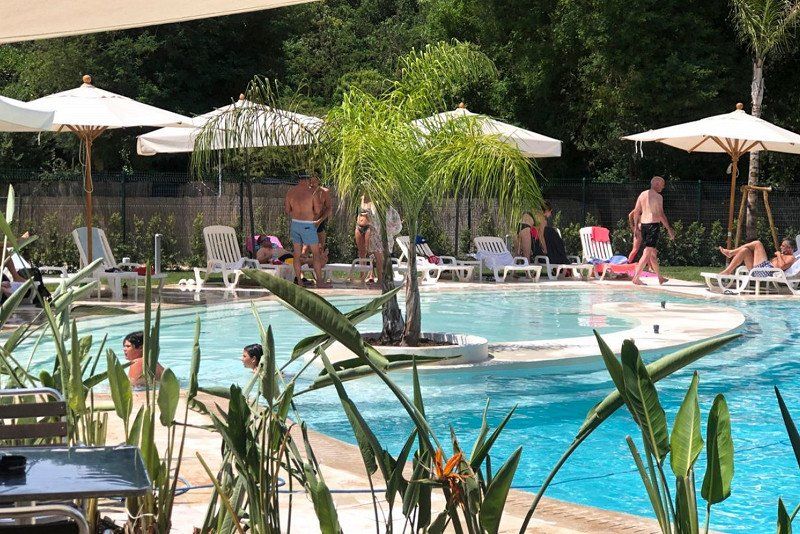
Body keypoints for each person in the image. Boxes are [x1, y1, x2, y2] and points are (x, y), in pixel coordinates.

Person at [630, 176, 675, 285]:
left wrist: (636, 228)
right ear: (657, 184)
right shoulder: (658, 197)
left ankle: (660, 277)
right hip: (653, 225)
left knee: (651, 253)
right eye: (662, 185)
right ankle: (636, 277)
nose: (663, 188)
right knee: (647, 252)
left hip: (644, 226)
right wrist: (669, 229)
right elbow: (660, 214)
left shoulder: (642, 194)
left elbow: (636, 211)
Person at [284, 173, 327, 287]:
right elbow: (317, 210)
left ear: (299, 180)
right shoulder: (311, 192)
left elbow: (287, 210)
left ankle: (299, 281)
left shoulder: (290, 192)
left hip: (295, 224)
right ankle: (320, 282)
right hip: (307, 225)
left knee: (297, 254)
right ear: (307, 180)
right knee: (316, 254)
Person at [718, 239, 796, 276]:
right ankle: (728, 271)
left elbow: (782, 266)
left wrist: (778, 254)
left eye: (783, 246)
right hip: (758, 270)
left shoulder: (791, 258)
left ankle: (731, 252)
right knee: (745, 251)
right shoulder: (784, 255)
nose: (781, 247)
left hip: (764, 271)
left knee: (757, 243)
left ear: (789, 248)